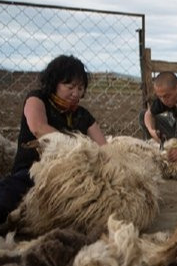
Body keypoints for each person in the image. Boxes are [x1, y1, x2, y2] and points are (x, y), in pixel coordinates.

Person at [0, 54, 107, 225]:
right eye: (70, 86)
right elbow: (39, 128)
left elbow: (104, 147)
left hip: (70, 177)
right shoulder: (37, 99)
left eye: (80, 88)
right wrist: (79, 146)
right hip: (33, 171)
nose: (76, 93)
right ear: (54, 83)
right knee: (9, 199)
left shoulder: (82, 115)